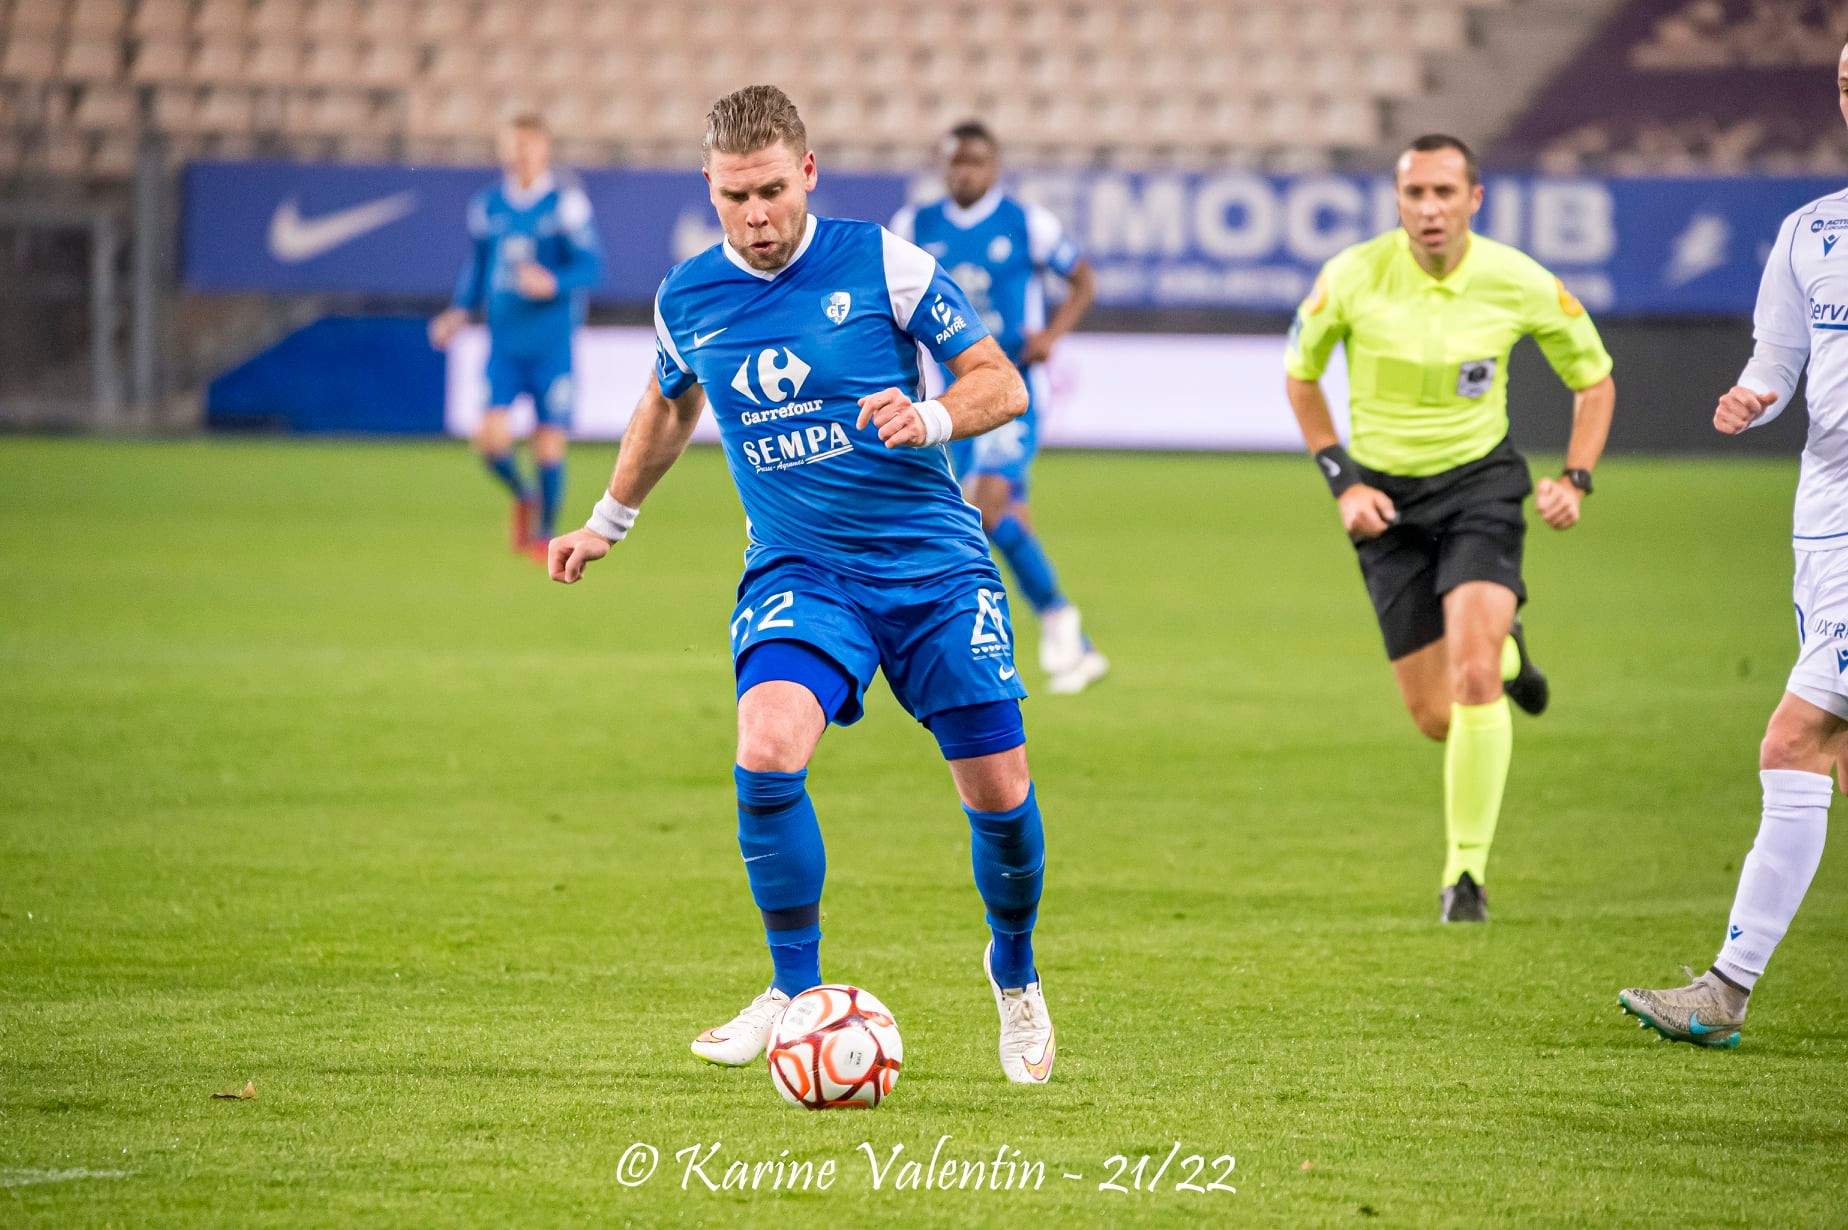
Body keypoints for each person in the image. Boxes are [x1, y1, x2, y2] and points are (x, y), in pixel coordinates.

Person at [547, 86, 1056, 1084]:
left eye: (774, 191)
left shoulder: (883, 263)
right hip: (800, 570)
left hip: (932, 570)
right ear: (712, 188)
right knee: (767, 746)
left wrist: (935, 416)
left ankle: (1016, 969)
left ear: (808, 173)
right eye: (736, 197)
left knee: (1000, 799)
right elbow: (665, 405)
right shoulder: (687, 297)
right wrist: (608, 520)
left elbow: (1001, 378)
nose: (758, 216)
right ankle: (791, 990)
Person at [1284, 134, 1616, 923]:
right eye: (1414, 195)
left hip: (1480, 488)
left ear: (1476, 199)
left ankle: (1464, 876)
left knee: (1471, 683)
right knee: (1439, 719)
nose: (1429, 209)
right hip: (1386, 506)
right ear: (1397, 202)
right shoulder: (1352, 276)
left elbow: (1594, 378)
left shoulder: (1517, 279)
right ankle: (1509, 651)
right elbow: (1300, 377)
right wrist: (1344, 483)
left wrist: (1575, 476)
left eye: (1443, 193)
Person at [1618, 45, 1848, 1048]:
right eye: (1845, 80)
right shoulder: (1811, 231)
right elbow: (1781, 356)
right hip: (1825, 522)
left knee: (1794, 741)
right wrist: (1754, 400)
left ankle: (1728, 986)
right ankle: (1726, 989)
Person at [890, 121, 1108, 693]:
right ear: (944, 166)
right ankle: (1073, 644)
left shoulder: (1026, 223)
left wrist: (1051, 336)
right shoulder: (914, 226)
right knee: (1004, 521)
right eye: (956, 162)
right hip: (954, 396)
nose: (965, 172)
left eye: (976, 162)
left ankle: (1050, 621)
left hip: (1014, 390)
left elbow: (1083, 280)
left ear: (995, 167)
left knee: (981, 511)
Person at [430, 113, 603, 561]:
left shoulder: (565, 205)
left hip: (550, 344)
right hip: (504, 345)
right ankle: (524, 493)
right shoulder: (487, 206)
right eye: (513, 145)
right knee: (489, 440)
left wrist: (553, 282)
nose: (520, 153)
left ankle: (544, 533)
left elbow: (590, 266)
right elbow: (478, 267)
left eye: (528, 144)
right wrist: (458, 311)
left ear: (544, 149)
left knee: (548, 439)